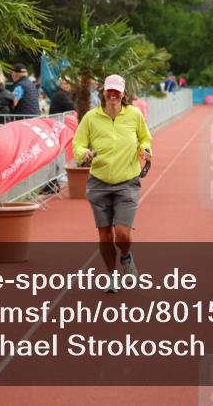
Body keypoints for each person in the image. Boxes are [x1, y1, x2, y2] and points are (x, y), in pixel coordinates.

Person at [72, 74, 153, 293]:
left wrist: (145, 150)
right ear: (104, 93)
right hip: (99, 182)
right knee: (105, 235)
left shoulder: (134, 114)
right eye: (110, 91)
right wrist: (83, 153)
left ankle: (126, 257)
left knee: (122, 234)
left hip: (127, 182)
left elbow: (145, 138)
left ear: (123, 94)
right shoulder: (91, 117)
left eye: (117, 91)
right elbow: (78, 144)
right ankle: (112, 276)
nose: (113, 94)